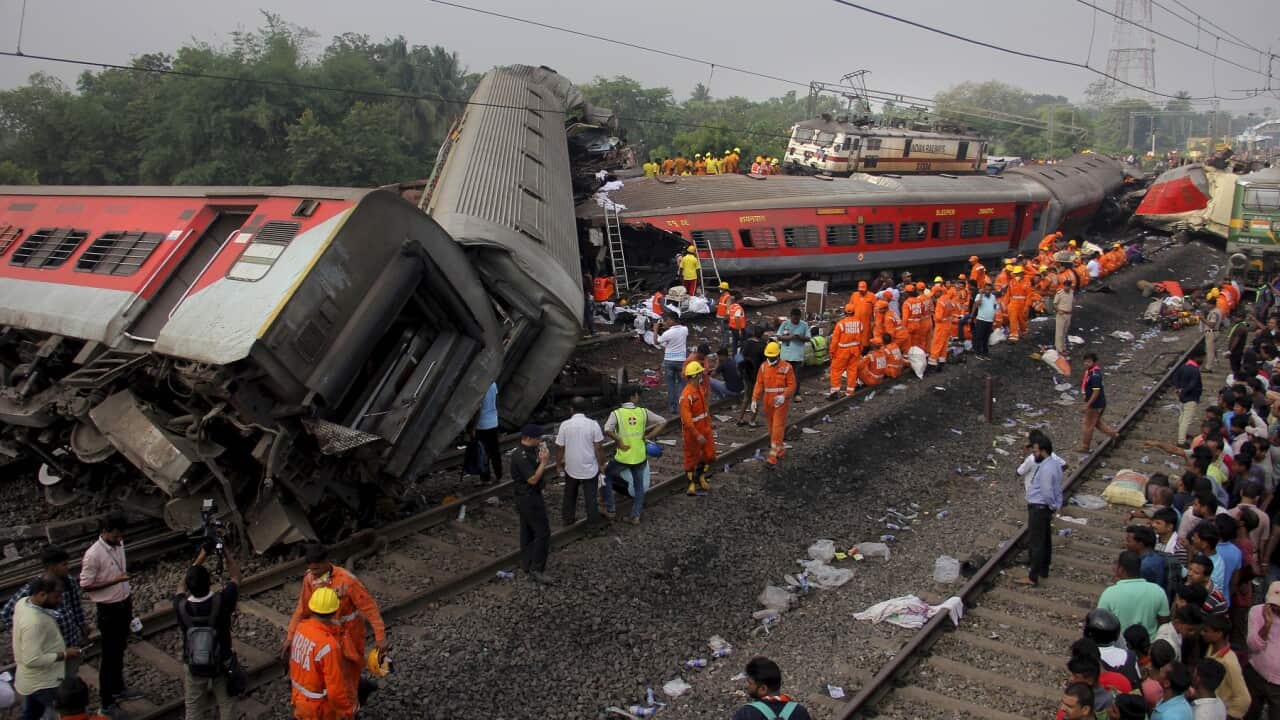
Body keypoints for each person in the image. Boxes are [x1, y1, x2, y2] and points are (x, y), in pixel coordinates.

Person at [284, 544, 386, 700]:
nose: (314, 574)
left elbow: (369, 608)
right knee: (333, 674)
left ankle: (353, 702)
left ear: (326, 562)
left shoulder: (347, 581)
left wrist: (380, 637)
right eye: (311, 570)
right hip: (327, 637)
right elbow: (302, 609)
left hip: (350, 636)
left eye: (317, 569)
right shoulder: (310, 579)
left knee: (350, 672)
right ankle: (352, 697)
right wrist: (290, 637)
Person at [79, 512, 140, 714]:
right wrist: (115, 581)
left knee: (120, 649)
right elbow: (86, 585)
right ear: (104, 532)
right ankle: (106, 703)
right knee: (110, 656)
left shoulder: (119, 544)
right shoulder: (93, 555)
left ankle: (119, 688)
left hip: (124, 603)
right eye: (115, 536)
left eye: (121, 536)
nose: (119, 540)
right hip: (109, 609)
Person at [174, 544, 242, 720]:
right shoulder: (223, 599)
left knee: (193, 707)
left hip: (194, 664)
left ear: (190, 585)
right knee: (227, 703)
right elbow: (235, 576)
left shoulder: (181, 606)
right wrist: (225, 550)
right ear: (210, 582)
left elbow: (181, 586)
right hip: (221, 663)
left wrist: (202, 554)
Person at [1, 546, 87, 680]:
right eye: (64, 564)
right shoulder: (35, 588)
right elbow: (6, 614)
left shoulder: (69, 582)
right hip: (50, 651)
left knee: (68, 679)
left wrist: (83, 626)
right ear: (52, 567)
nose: (68, 567)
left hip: (71, 643)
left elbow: (76, 607)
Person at [13, 575, 78, 720]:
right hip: (44, 682)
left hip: (31, 680)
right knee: (67, 713)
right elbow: (32, 659)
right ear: (42, 595)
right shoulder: (35, 622)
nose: (59, 601)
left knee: (32, 713)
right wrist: (63, 654)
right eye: (56, 597)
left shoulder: (23, 602)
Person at [288, 587, 356, 720]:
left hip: (300, 700)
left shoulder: (301, 628)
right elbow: (336, 690)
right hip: (319, 709)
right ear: (334, 611)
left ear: (312, 608)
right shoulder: (328, 646)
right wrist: (347, 711)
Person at [602, 386, 667, 525]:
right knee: (639, 487)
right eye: (638, 395)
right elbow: (662, 421)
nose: (639, 397)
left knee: (607, 476)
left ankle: (611, 510)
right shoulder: (643, 412)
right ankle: (635, 516)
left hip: (623, 456)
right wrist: (648, 436)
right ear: (632, 397)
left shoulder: (617, 414)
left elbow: (607, 429)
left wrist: (618, 439)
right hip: (639, 456)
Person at [1017, 434, 1065, 586]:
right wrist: (1056, 505)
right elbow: (1057, 489)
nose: (1034, 454)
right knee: (1045, 540)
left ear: (1044, 451)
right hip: (1044, 508)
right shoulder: (1054, 464)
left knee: (1037, 542)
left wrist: (1051, 505)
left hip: (1039, 508)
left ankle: (1033, 576)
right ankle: (1044, 569)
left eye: (1036, 451)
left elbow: (1047, 491)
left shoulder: (1045, 469)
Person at [509, 425, 553, 583]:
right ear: (528, 438)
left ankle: (527, 563)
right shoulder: (521, 456)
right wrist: (544, 462)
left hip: (525, 497)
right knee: (543, 532)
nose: (540, 440)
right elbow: (532, 479)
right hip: (529, 498)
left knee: (527, 530)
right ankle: (537, 569)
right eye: (538, 438)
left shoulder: (527, 451)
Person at [555, 397, 606, 526]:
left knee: (569, 495)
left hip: (571, 467)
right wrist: (601, 464)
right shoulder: (593, 424)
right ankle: (593, 528)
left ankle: (568, 519)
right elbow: (599, 448)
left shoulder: (565, 425)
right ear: (585, 410)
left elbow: (560, 448)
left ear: (571, 409)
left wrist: (558, 465)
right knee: (591, 498)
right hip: (590, 468)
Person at [1097, 550, 1171, 637]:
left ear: (1121, 569)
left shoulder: (1109, 593)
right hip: (1148, 646)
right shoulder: (1158, 591)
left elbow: (1099, 622)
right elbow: (1164, 623)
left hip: (1119, 647)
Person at [750, 341, 797, 469]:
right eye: (768, 356)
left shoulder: (786, 367)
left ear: (778, 355)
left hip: (780, 401)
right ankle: (780, 449)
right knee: (771, 427)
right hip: (768, 400)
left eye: (772, 356)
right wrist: (754, 399)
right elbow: (759, 384)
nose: (770, 358)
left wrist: (784, 395)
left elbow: (792, 384)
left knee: (777, 426)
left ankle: (772, 455)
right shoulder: (763, 367)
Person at [1200, 613, 1251, 717]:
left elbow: (1244, 699)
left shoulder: (1229, 662)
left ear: (1219, 634)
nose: (1202, 633)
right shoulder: (1211, 647)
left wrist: (1228, 715)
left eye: (1206, 631)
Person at [730, 657, 813, 720]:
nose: (747, 686)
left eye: (750, 683)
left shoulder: (746, 714)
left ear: (763, 689)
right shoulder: (799, 711)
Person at [1245, 582, 1280, 720]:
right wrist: (1267, 625)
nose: (1275, 607)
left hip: (1278, 686)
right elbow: (1253, 646)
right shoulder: (1256, 611)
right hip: (1256, 674)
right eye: (1273, 604)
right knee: (1249, 714)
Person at [680, 361, 716, 495]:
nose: (701, 375)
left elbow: (705, 409)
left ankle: (700, 476)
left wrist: (709, 422)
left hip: (705, 429)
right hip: (693, 433)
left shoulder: (699, 389)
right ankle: (691, 484)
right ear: (694, 376)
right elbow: (687, 420)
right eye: (699, 373)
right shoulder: (686, 395)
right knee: (691, 459)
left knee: (710, 455)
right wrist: (696, 434)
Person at [1078, 353, 1120, 452]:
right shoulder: (1090, 371)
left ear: (1094, 362)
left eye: (1089, 361)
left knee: (1088, 425)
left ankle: (1085, 446)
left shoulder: (1095, 375)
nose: (1086, 363)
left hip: (1095, 405)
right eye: (1085, 361)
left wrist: (1087, 405)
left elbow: (1096, 392)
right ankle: (1114, 435)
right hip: (1099, 403)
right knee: (1096, 423)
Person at [827, 303, 863, 399]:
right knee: (852, 370)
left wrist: (832, 352)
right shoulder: (859, 323)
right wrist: (860, 349)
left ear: (845, 312)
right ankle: (850, 391)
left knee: (836, 370)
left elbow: (835, 341)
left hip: (842, 351)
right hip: (855, 351)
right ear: (854, 312)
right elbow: (861, 338)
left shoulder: (841, 324)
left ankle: (834, 392)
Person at [656, 315, 690, 415]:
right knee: (682, 383)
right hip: (681, 361)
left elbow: (656, 341)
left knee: (671, 385)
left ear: (672, 320)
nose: (665, 323)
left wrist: (655, 330)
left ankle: (673, 408)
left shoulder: (667, 333)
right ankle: (681, 404)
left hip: (669, 361)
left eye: (667, 321)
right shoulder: (685, 329)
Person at [470, 381, 502, 483]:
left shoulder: (480, 386)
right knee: (495, 451)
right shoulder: (493, 384)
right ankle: (498, 475)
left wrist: (473, 428)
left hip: (482, 425)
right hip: (493, 422)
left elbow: (478, 409)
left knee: (483, 453)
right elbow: (496, 402)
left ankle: (485, 478)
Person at [775, 308, 809, 399]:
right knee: (783, 376)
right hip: (785, 355)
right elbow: (778, 337)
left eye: (797, 319)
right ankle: (783, 393)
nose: (796, 321)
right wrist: (790, 337)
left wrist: (799, 337)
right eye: (794, 319)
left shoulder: (804, 325)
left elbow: (808, 338)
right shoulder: (785, 324)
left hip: (798, 356)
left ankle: (796, 393)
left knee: (796, 377)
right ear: (791, 317)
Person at [1176, 349, 1206, 448]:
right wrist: (1184, 391)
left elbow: (1175, 378)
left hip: (1182, 397)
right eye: (1201, 357)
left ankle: (1182, 434)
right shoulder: (1195, 370)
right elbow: (1193, 384)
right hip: (1191, 397)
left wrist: (1179, 390)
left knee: (1182, 416)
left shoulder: (1184, 366)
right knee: (1186, 419)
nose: (1202, 359)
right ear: (1197, 357)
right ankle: (1181, 441)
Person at [1129, 524, 1171, 590]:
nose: (1126, 544)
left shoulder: (1144, 565)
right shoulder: (1161, 556)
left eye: (1129, 541)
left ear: (1140, 544)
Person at [971, 281, 997, 359]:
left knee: (986, 338)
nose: (988, 291)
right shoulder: (979, 295)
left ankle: (985, 353)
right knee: (979, 337)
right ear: (984, 289)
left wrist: (993, 314)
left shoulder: (993, 297)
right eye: (986, 290)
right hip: (981, 320)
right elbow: (977, 304)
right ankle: (978, 353)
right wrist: (981, 294)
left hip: (990, 320)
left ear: (991, 290)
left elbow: (994, 305)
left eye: (989, 290)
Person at [1056, 277, 1076, 355]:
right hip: (1062, 314)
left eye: (1068, 286)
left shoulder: (1071, 292)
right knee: (1059, 333)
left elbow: (1071, 302)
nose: (1066, 287)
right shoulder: (1059, 293)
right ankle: (1059, 349)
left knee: (1064, 332)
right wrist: (1058, 310)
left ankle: (1063, 348)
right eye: (1065, 286)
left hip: (1068, 314)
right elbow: (1055, 304)